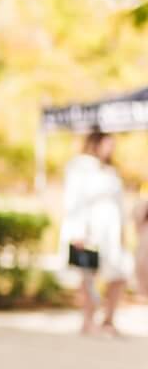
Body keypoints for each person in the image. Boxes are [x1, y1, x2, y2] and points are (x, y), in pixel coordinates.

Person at [61, 130, 129, 337]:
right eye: (107, 144)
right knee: (87, 274)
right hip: (91, 227)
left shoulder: (111, 170)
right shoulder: (80, 167)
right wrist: (79, 231)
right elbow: (74, 199)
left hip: (112, 229)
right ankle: (87, 321)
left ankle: (108, 319)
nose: (111, 149)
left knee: (119, 272)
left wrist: (123, 233)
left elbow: (120, 203)